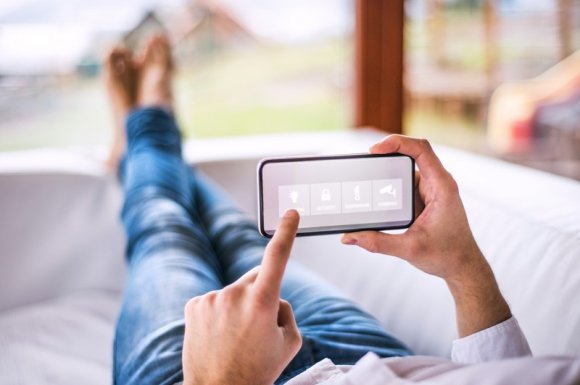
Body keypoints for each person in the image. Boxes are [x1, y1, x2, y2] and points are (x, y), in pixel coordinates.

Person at [104, 35, 580, 385]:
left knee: (163, 228)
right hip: (371, 361)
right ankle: (149, 137)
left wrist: (224, 380)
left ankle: (146, 133)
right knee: (241, 235)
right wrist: (465, 267)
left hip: (208, 375)